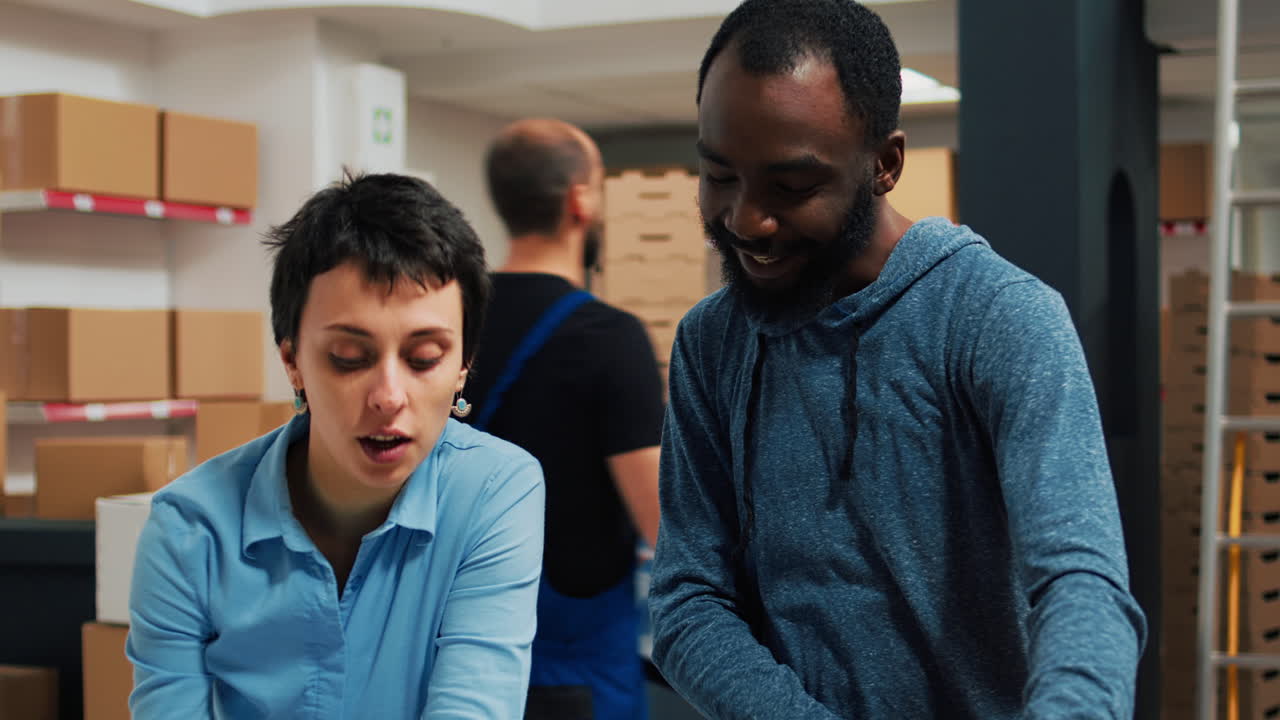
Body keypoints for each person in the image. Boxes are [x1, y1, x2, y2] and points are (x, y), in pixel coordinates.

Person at [647, 1, 1148, 718]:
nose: (747, 220)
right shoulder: (713, 342)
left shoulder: (996, 315)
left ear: (884, 164)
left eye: (791, 188)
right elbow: (688, 599)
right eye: (720, 176)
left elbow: (1081, 582)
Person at [126, 172, 545, 718]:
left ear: (464, 366)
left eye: (424, 359)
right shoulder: (190, 528)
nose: (389, 397)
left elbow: (475, 705)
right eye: (349, 358)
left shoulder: (495, 490)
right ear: (292, 360)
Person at [463, 117, 664, 720]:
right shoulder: (610, 337)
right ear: (580, 200)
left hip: (462, 652)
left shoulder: (451, 323)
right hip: (577, 672)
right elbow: (662, 524)